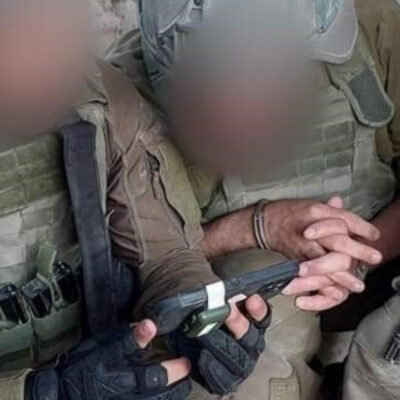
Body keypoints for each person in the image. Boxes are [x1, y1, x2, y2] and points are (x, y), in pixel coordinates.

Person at [0, 2, 270, 399]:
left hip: (98, 370)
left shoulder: (97, 93)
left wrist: (197, 320)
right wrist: (40, 392)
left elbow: (166, 258)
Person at [132, 0, 400, 398]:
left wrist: (361, 252)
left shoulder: (375, 29)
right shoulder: (131, 88)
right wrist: (258, 227)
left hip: (379, 266)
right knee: (243, 362)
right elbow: (147, 262)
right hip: (256, 297)